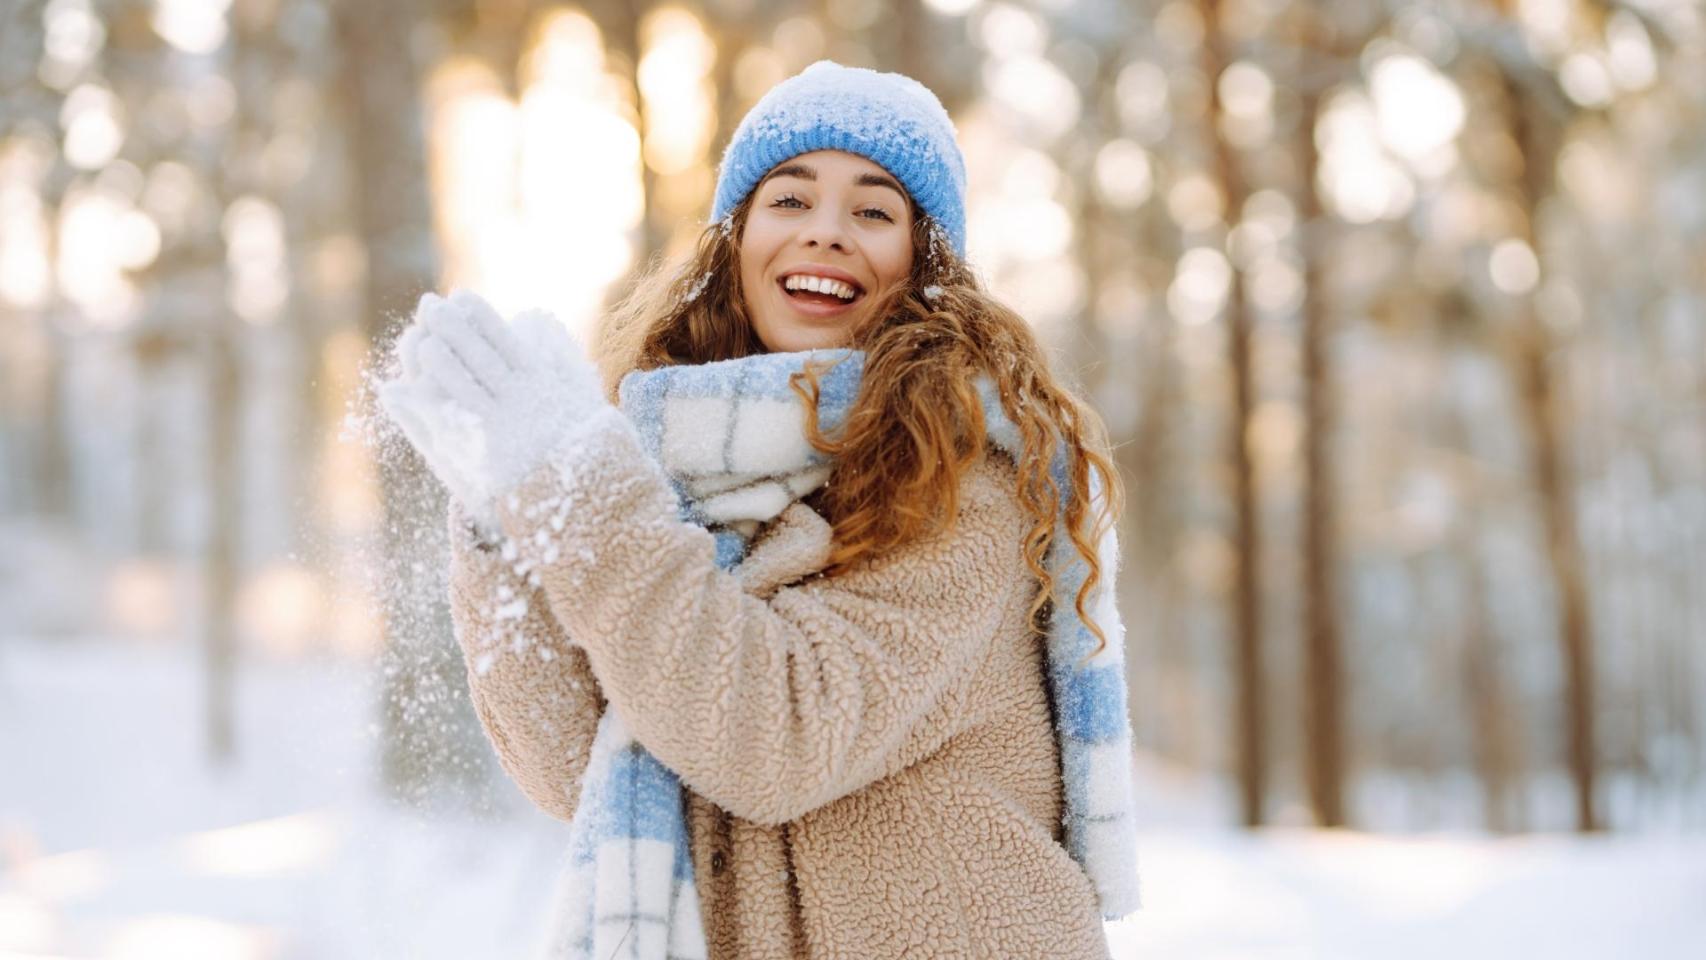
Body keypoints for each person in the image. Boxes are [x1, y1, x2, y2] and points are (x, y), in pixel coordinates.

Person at [380, 60, 1139, 960]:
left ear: (923, 262)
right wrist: (505, 513)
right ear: (735, 240)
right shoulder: (664, 474)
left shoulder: (964, 479)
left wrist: (574, 490)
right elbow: (573, 764)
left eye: (873, 210)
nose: (825, 234)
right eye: (788, 200)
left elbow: (775, 736)